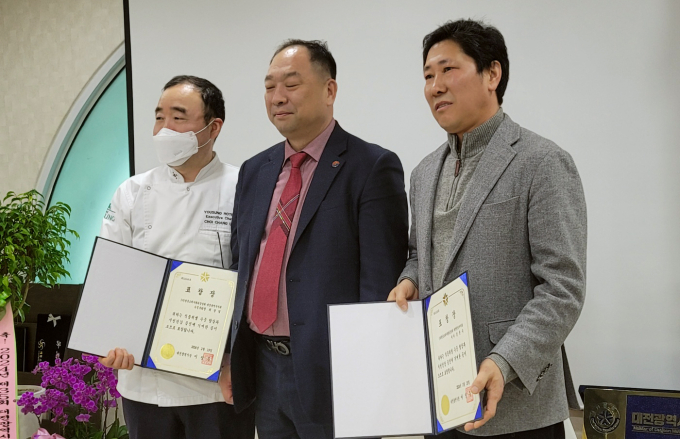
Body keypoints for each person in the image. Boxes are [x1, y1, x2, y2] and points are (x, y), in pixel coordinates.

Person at [388, 19, 587, 438]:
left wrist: (504, 360)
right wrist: (408, 281)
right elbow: (418, 255)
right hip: (441, 398)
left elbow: (562, 288)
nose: (435, 86)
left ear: (492, 74)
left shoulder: (542, 162)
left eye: (448, 69)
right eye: (427, 75)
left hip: (516, 407)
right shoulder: (424, 173)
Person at [222, 40, 408, 438]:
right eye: (269, 87)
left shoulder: (372, 166)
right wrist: (228, 354)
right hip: (263, 368)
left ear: (330, 90)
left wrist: (368, 378)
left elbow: (379, 284)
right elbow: (240, 269)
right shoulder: (255, 170)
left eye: (291, 83)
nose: (277, 97)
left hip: (334, 374)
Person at [98, 75, 255, 439]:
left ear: (213, 127)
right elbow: (110, 276)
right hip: (141, 378)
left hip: (216, 381)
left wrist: (238, 357)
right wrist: (110, 338)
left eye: (178, 117)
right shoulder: (133, 192)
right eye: (158, 117)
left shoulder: (243, 187)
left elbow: (253, 279)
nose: (164, 129)